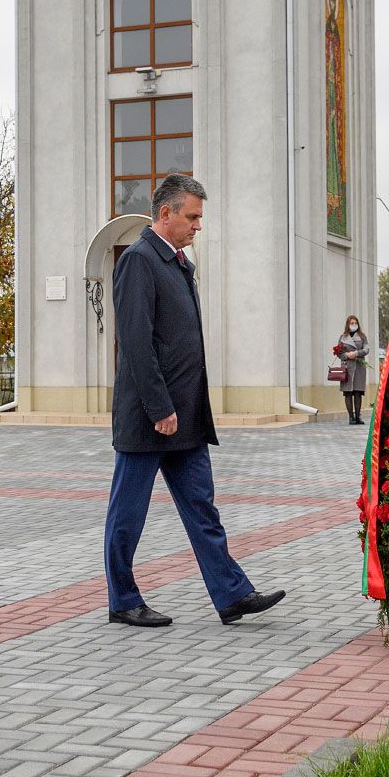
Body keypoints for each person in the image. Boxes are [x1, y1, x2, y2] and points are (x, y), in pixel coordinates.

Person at [105, 174, 286, 628]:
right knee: (128, 514)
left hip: (184, 418)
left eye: (199, 217)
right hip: (150, 417)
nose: (197, 225)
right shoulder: (139, 261)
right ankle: (122, 600)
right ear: (165, 214)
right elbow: (136, 344)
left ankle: (231, 595)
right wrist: (159, 407)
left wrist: (180, 409)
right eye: (192, 216)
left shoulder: (179, 264)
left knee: (203, 508)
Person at [335, 315, 370, 424]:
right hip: (347, 367)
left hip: (359, 367)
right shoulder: (343, 337)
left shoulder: (362, 336)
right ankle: (351, 417)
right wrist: (347, 355)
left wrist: (356, 353)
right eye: (352, 323)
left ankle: (358, 417)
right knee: (348, 393)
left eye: (355, 323)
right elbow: (338, 352)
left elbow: (367, 349)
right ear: (348, 324)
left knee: (358, 392)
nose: (354, 325)